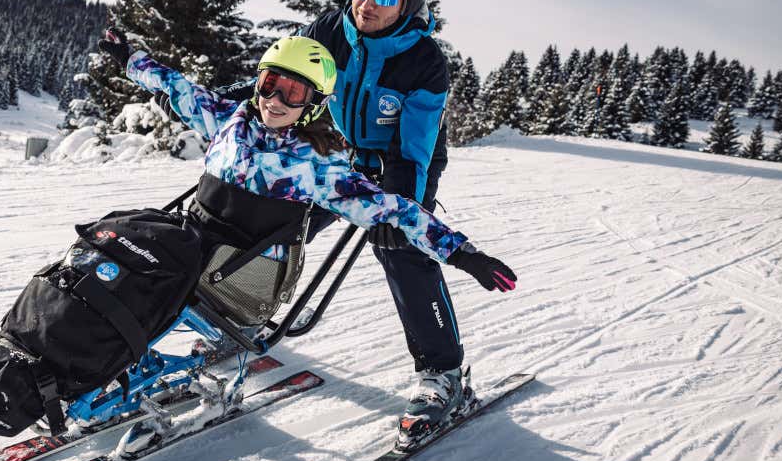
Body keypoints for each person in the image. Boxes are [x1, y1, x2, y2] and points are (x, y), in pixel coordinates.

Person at [98, 29, 515, 427]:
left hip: (264, 254)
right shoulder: (238, 117)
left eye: (293, 92)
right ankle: (109, 353)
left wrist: (462, 252)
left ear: (313, 101)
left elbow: (402, 196)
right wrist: (131, 60)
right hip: (201, 249)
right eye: (269, 85)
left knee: (395, 253)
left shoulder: (320, 160)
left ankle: (441, 370)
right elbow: (179, 87)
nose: (276, 98)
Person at [292, 0, 483, 424]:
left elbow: (415, 150)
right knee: (283, 218)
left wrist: (398, 209)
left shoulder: (424, 62)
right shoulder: (333, 28)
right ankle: (241, 312)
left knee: (402, 249)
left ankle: (443, 373)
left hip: (401, 165)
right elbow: (291, 81)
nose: (365, 3)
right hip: (341, 150)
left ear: (410, 0)